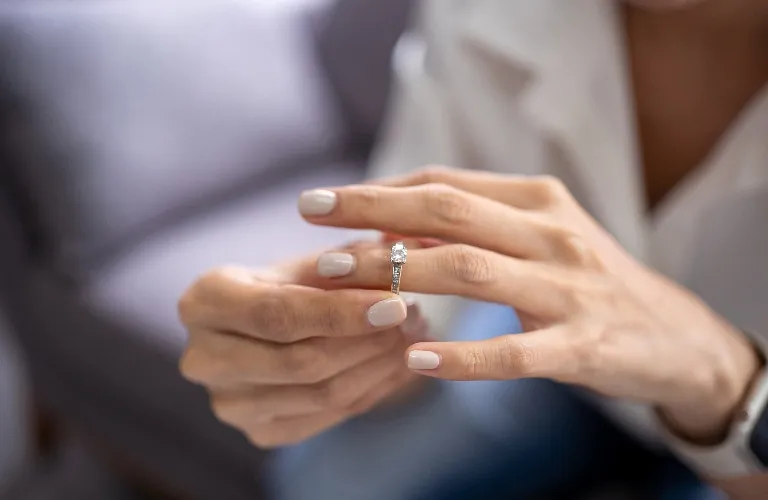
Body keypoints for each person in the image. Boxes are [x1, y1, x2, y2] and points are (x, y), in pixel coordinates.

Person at [177, 0, 768, 498]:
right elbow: (416, 275)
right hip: (560, 381)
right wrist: (338, 339)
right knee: (322, 476)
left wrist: (722, 383)